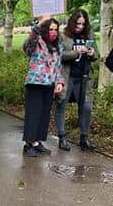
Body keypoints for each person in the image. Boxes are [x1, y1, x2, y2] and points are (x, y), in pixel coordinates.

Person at [55, 9, 98, 151]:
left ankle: (84, 138)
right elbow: (58, 55)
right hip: (68, 77)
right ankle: (61, 137)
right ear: (72, 22)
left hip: (84, 78)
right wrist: (76, 53)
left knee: (86, 107)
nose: (80, 26)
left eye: (83, 24)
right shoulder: (64, 36)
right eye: (78, 23)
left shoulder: (89, 35)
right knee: (62, 105)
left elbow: (96, 54)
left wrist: (92, 53)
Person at [22, 15, 64, 157]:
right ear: (45, 30)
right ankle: (28, 144)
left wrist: (59, 82)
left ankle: (37, 142)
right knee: (33, 114)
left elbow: (58, 66)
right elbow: (27, 45)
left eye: (56, 30)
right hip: (35, 83)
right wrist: (40, 24)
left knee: (43, 115)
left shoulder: (58, 46)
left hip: (50, 83)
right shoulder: (36, 42)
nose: (53, 32)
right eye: (51, 29)